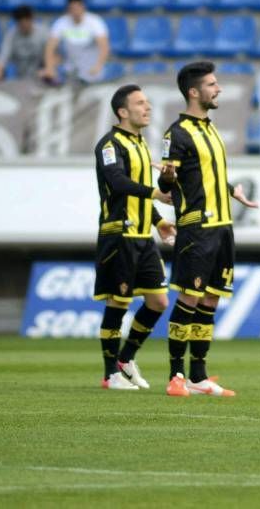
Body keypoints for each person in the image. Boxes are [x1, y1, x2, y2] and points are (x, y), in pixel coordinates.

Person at [156, 61, 259, 398]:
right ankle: (176, 375)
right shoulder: (177, 133)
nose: (219, 89)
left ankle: (198, 377)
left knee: (211, 299)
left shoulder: (211, 129)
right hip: (196, 226)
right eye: (212, 85)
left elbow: (206, 173)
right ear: (194, 92)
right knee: (189, 297)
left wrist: (232, 190)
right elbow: (167, 179)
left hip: (222, 226)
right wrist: (167, 177)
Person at [94, 84, 176, 391]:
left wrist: (157, 222)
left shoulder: (141, 144)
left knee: (157, 301)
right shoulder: (109, 144)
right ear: (122, 111)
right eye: (140, 103)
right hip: (119, 234)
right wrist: (156, 193)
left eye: (148, 102)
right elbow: (117, 183)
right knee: (119, 302)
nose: (148, 107)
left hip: (142, 235)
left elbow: (138, 191)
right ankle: (109, 374)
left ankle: (125, 359)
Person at [42, 0, 109, 85]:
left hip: (91, 70)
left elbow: (104, 47)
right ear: (68, 9)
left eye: (78, 8)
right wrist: (49, 67)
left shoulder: (95, 22)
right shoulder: (61, 23)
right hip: (70, 70)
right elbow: (50, 47)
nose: (76, 11)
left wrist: (98, 66)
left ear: (83, 7)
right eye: (72, 9)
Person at [0, 5, 48, 81]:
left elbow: (55, 56)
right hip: (20, 78)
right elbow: (3, 56)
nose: (24, 26)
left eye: (26, 22)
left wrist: (48, 69)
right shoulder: (11, 35)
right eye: (21, 24)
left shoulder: (44, 33)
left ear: (32, 19)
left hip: (41, 77)